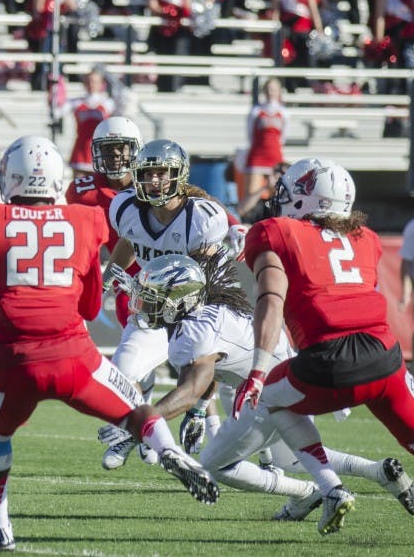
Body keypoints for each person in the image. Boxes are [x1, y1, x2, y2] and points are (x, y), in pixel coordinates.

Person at [0, 136, 218, 550]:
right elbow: (91, 306)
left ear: (9, 178)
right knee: (135, 411)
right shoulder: (84, 219)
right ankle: (166, 449)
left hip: (14, 360)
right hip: (75, 356)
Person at [126, 253, 414, 527]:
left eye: (153, 299)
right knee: (290, 458)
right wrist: (200, 412)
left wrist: (137, 422)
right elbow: (213, 366)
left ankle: (308, 492)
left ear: (180, 300)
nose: (143, 306)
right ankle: (379, 472)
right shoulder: (206, 317)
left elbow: (190, 390)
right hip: (287, 380)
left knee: (214, 464)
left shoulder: (193, 331)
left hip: (268, 390)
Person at [235, 158, 414, 534]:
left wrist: (256, 368)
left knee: (268, 396)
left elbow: (272, 296)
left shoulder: (276, 230)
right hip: (386, 357)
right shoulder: (368, 238)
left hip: (329, 362)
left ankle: (328, 486)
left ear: (306, 199)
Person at [97, 138, 229, 469]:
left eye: (162, 174)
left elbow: (212, 298)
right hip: (152, 312)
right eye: (148, 174)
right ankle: (142, 436)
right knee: (123, 373)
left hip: (197, 314)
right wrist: (106, 280)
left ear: (178, 176)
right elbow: (131, 242)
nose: (154, 181)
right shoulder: (126, 209)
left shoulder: (202, 218)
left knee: (228, 384)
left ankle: (205, 418)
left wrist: (201, 401)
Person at [66, 116, 143, 328]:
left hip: (160, 264)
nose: (115, 155)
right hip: (122, 275)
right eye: (109, 149)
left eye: (121, 148)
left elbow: (193, 198)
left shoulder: (151, 183)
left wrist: (232, 223)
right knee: (126, 309)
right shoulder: (84, 192)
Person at [63, 69, 117, 175]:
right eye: (88, 81)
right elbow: (58, 111)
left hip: (100, 152)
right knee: (79, 186)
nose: (91, 84)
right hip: (81, 150)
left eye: (94, 81)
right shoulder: (76, 102)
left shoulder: (108, 103)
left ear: (101, 83)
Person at [244, 77, 288, 199]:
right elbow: (250, 134)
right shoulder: (256, 111)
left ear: (279, 91)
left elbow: (283, 137)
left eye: (274, 89)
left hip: (275, 157)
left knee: (277, 195)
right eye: (268, 89)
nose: (271, 92)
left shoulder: (284, 113)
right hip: (258, 156)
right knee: (252, 194)